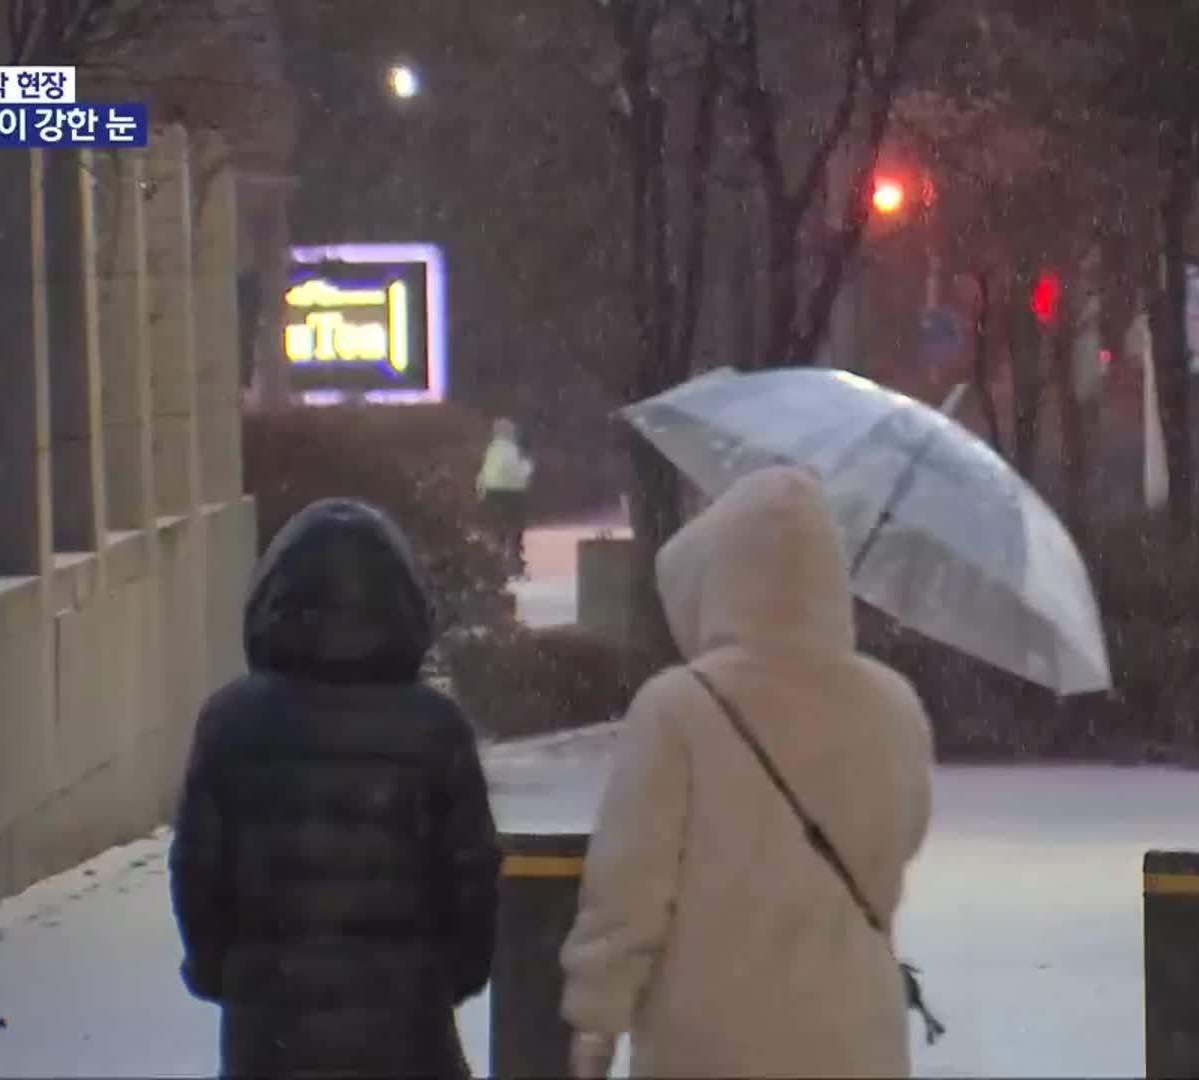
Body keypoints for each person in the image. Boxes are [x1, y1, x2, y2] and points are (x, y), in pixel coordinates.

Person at [560, 465, 936, 1079]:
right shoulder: (893, 704)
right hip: (854, 1039)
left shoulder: (678, 708)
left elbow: (628, 890)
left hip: (712, 1042)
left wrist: (597, 1019)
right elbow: (900, 840)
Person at [168, 497, 501, 1079]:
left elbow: (198, 872)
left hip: (271, 1035)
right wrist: (455, 972)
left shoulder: (230, 722)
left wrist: (219, 971)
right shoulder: (434, 728)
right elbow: (471, 875)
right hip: (406, 1033)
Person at [477, 417, 534, 575]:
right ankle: (514, 560)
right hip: (513, 493)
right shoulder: (515, 450)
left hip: (493, 493)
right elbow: (522, 471)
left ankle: (497, 558)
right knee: (514, 527)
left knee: (497, 529)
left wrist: (481, 490)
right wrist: (527, 473)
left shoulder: (492, 450)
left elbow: (485, 472)